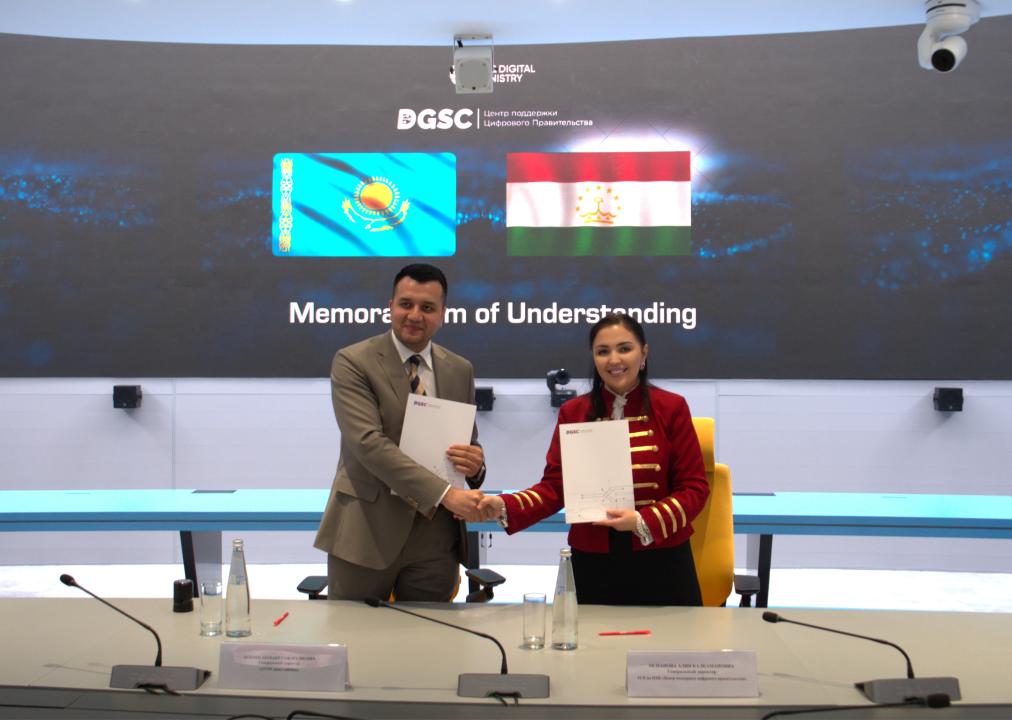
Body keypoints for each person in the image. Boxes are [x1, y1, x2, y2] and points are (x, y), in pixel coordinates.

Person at [477, 313, 709, 606]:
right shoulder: (574, 412)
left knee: (671, 638)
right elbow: (555, 488)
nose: (614, 360)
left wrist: (642, 520)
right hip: (594, 561)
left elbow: (694, 488)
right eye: (603, 351)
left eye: (624, 348)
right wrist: (504, 505)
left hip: (662, 556)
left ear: (644, 353)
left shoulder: (672, 408)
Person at [314, 263, 486, 601]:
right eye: (406, 304)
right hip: (368, 531)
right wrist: (444, 494)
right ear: (390, 306)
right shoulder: (353, 361)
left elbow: (468, 441)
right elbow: (368, 444)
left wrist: (476, 464)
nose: (415, 315)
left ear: (443, 315)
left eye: (427, 307)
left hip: (436, 539)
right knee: (355, 631)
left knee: (430, 633)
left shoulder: (459, 369)